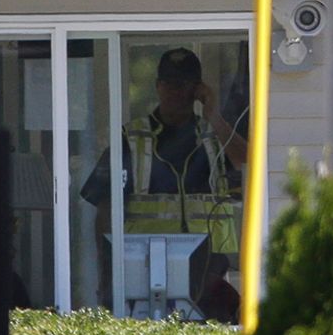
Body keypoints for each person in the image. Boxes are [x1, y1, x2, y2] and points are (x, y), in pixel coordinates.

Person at [81, 47, 248, 260]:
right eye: (166, 83)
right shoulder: (131, 138)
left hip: (210, 270)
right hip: (146, 265)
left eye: (181, 85)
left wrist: (214, 117)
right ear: (157, 86)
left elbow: (249, 162)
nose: (173, 91)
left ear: (198, 90)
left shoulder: (214, 137)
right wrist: (107, 269)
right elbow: (105, 210)